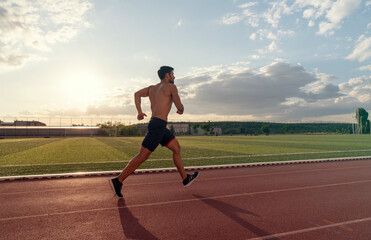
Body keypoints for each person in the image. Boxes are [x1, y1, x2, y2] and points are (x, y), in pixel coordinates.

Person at [109, 66, 199, 198]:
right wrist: (180, 109)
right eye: (173, 74)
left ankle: (185, 178)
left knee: (176, 148)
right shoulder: (171, 87)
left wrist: (139, 111)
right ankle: (118, 180)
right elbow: (180, 107)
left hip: (160, 125)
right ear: (167, 75)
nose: (174, 76)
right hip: (158, 125)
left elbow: (137, 94)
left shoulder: (152, 88)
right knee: (142, 156)